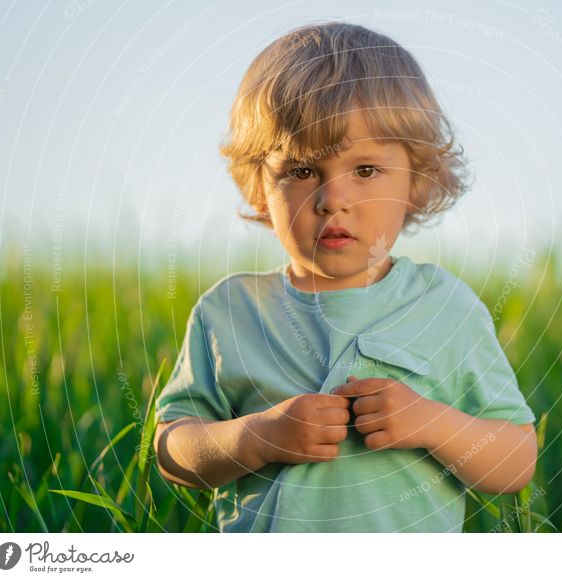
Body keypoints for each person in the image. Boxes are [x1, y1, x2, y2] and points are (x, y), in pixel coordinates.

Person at [153, 20, 537, 532]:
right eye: (302, 171)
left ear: (416, 182)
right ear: (259, 187)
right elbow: (172, 448)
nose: (333, 199)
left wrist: (432, 423)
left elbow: (516, 459)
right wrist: (256, 436)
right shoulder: (230, 310)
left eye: (365, 171)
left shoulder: (445, 306)